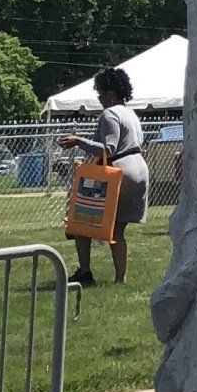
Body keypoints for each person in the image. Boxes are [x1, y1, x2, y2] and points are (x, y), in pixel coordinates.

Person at [59, 66, 150, 288]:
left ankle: (85, 271)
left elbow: (108, 149)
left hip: (118, 171)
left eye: (100, 93)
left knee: (82, 222)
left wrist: (78, 141)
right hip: (139, 170)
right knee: (117, 230)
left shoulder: (110, 114)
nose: (99, 98)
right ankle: (121, 279)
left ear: (110, 94)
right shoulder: (132, 114)